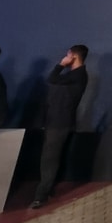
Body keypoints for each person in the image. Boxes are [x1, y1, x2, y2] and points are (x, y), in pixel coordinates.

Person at [31, 45, 89, 209]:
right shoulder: (73, 76)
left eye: (68, 54)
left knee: (49, 159)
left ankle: (41, 195)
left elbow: (52, 78)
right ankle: (46, 190)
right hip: (55, 121)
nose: (65, 57)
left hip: (60, 123)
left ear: (73, 56)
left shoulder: (78, 75)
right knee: (49, 158)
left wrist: (61, 65)